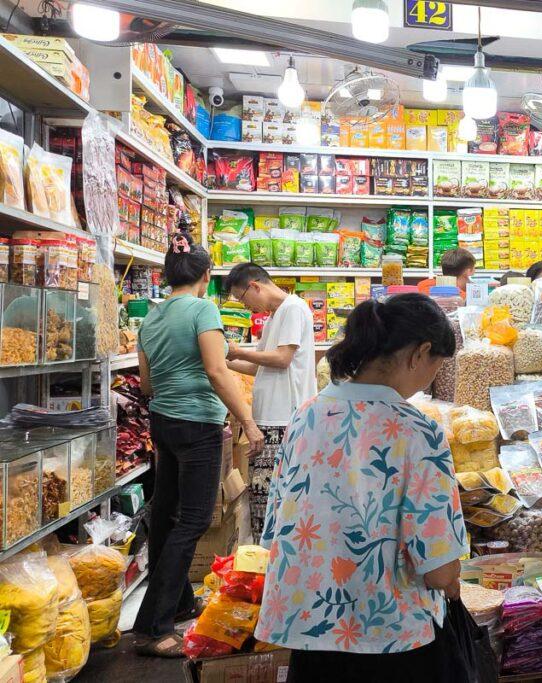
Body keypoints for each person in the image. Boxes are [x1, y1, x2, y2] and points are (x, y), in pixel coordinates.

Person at [257, 294, 468, 680]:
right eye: (437, 364)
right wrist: (453, 581)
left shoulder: (305, 416)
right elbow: (438, 570)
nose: (433, 377)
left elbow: (274, 534)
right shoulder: (418, 431)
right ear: (419, 354)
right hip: (392, 641)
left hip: (311, 633)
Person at [133, 234, 264, 657]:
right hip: (197, 423)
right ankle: (154, 628)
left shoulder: (150, 318)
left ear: (167, 276)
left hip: (163, 421)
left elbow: (148, 383)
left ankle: (177, 604)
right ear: (206, 276)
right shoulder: (203, 309)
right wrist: (247, 419)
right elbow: (216, 369)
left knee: (166, 515)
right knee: (192, 521)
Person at [222, 262, 317, 539]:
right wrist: (221, 362)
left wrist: (237, 350)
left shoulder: (293, 309)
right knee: (263, 501)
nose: (247, 306)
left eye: (243, 298)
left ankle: (272, 571)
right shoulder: (276, 316)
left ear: (255, 286)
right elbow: (258, 367)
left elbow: (281, 359)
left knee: (273, 505)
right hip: (270, 421)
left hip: (283, 421)